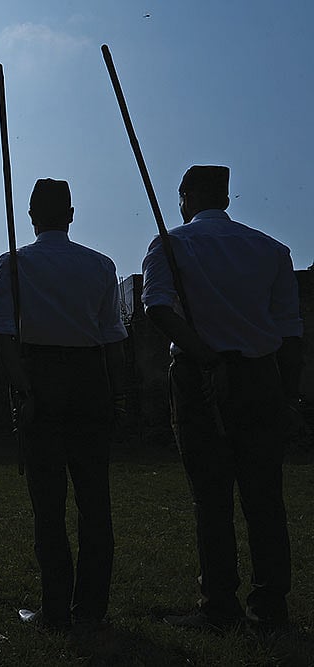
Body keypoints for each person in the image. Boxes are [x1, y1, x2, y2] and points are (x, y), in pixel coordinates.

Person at [143, 165, 303, 632]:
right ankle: (270, 606)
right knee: (265, 497)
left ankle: (218, 604)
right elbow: (291, 333)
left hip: (199, 376)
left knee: (211, 496)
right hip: (260, 377)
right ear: (226, 199)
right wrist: (290, 396)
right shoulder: (272, 250)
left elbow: (155, 308)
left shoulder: (171, 245)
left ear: (184, 197)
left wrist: (206, 357)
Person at [0, 179, 127, 633]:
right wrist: (118, 395)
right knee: (95, 500)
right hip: (90, 379)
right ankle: (91, 606)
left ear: (31, 215)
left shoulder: (13, 264)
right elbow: (113, 340)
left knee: (47, 503)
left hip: (41, 376)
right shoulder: (100, 265)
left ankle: (55, 609)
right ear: (71, 214)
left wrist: (23, 389)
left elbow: (3, 334)